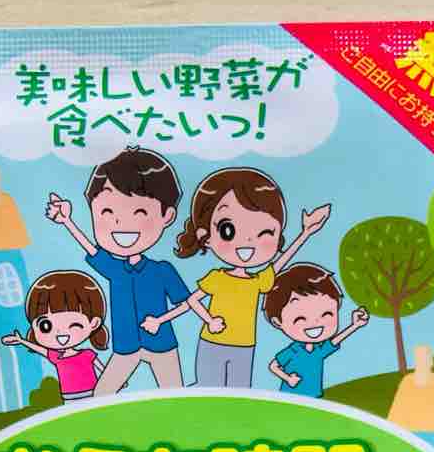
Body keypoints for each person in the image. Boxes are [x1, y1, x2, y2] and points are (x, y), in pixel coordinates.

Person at [140, 167, 330, 388]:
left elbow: (278, 265)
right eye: (228, 230)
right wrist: (204, 320)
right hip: (213, 342)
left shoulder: (257, 281)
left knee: (238, 392)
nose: (248, 241)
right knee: (208, 388)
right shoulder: (217, 278)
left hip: (245, 346)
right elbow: (191, 301)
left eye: (264, 233)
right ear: (205, 236)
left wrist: (305, 233)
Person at [45, 147, 192, 393]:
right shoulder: (116, 270)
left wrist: (160, 320)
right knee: (102, 394)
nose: (120, 223)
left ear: (167, 216)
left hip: (161, 343)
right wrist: (67, 221)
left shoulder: (162, 270)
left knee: (175, 395)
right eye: (107, 212)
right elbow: (93, 251)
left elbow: (186, 303)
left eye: (140, 212)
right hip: (126, 345)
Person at [263, 263, 369, 398]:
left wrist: (355, 325)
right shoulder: (293, 351)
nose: (315, 324)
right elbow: (273, 366)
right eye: (300, 318)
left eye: (326, 314)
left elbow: (334, 341)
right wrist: (288, 378)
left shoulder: (318, 350)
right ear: (278, 322)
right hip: (291, 397)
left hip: (314, 396)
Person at [1, 270, 107, 402]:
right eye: (46, 326)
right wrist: (21, 341)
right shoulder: (56, 357)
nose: (61, 334)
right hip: (68, 398)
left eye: (74, 324)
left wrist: (116, 381)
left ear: (94, 323)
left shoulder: (87, 354)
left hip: (92, 394)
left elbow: (104, 371)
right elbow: (40, 349)